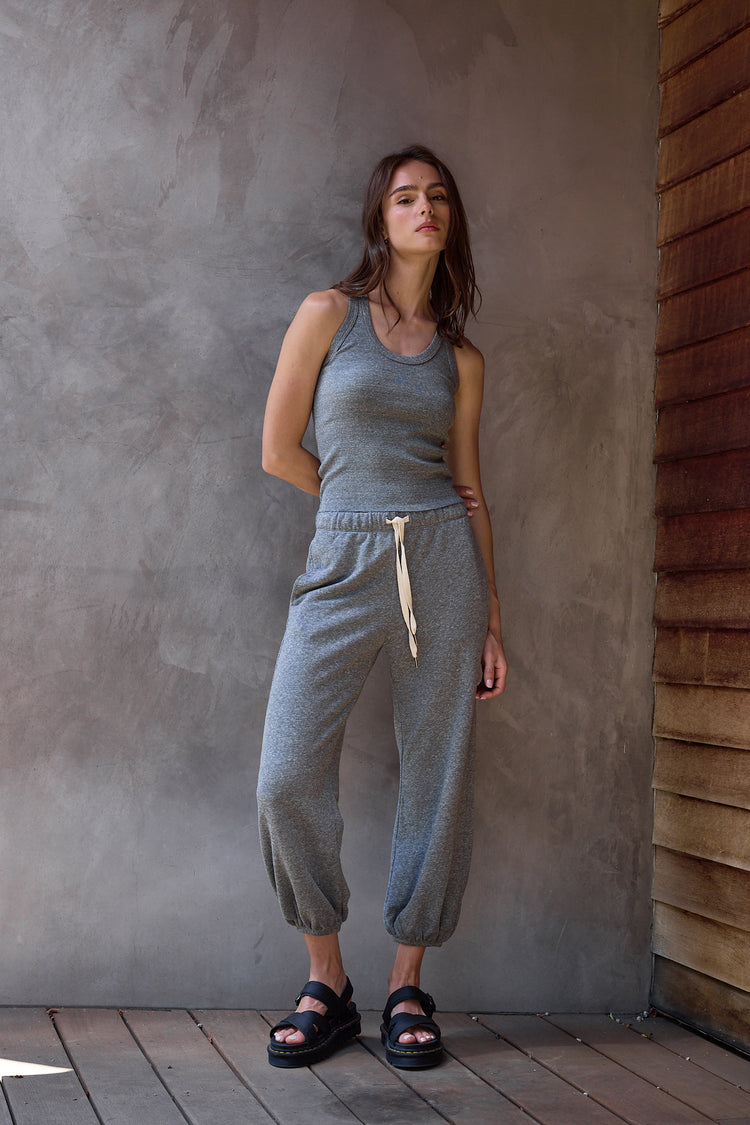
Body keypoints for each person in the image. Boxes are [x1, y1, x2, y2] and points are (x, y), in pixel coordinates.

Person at [257, 144, 507, 1070]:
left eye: (439, 195)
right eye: (405, 196)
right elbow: (279, 449)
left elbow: (472, 489)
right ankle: (329, 980)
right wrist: (356, 506)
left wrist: (491, 618)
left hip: (443, 557)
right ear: (381, 217)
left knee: (437, 774)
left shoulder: (462, 359)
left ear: (452, 221)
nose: (424, 208)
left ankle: (406, 981)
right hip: (343, 551)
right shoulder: (329, 315)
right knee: (284, 774)